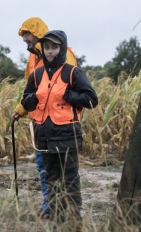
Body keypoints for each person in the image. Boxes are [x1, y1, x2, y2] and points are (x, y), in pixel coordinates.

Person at [20, 30, 97, 219]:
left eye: (54, 47)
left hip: (67, 134)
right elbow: (25, 101)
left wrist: (69, 95)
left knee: (70, 176)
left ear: (61, 49)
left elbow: (91, 99)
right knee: (51, 176)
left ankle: (73, 214)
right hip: (44, 135)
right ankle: (55, 212)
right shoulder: (37, 75)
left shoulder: (72, 72)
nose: (50, 51)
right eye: (47, 47)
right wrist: (34, 98)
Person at [11, 17, 78, 218]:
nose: (24, 39)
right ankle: (51, 206)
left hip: (61, 125)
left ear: (37, 33)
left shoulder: (65, 56)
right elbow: (32, 91)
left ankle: (66, 209)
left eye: (26, 34)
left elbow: (66, 87)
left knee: (65, 169)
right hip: (40, 122)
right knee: (44, 165)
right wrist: (21, 110)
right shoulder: (34, 58)